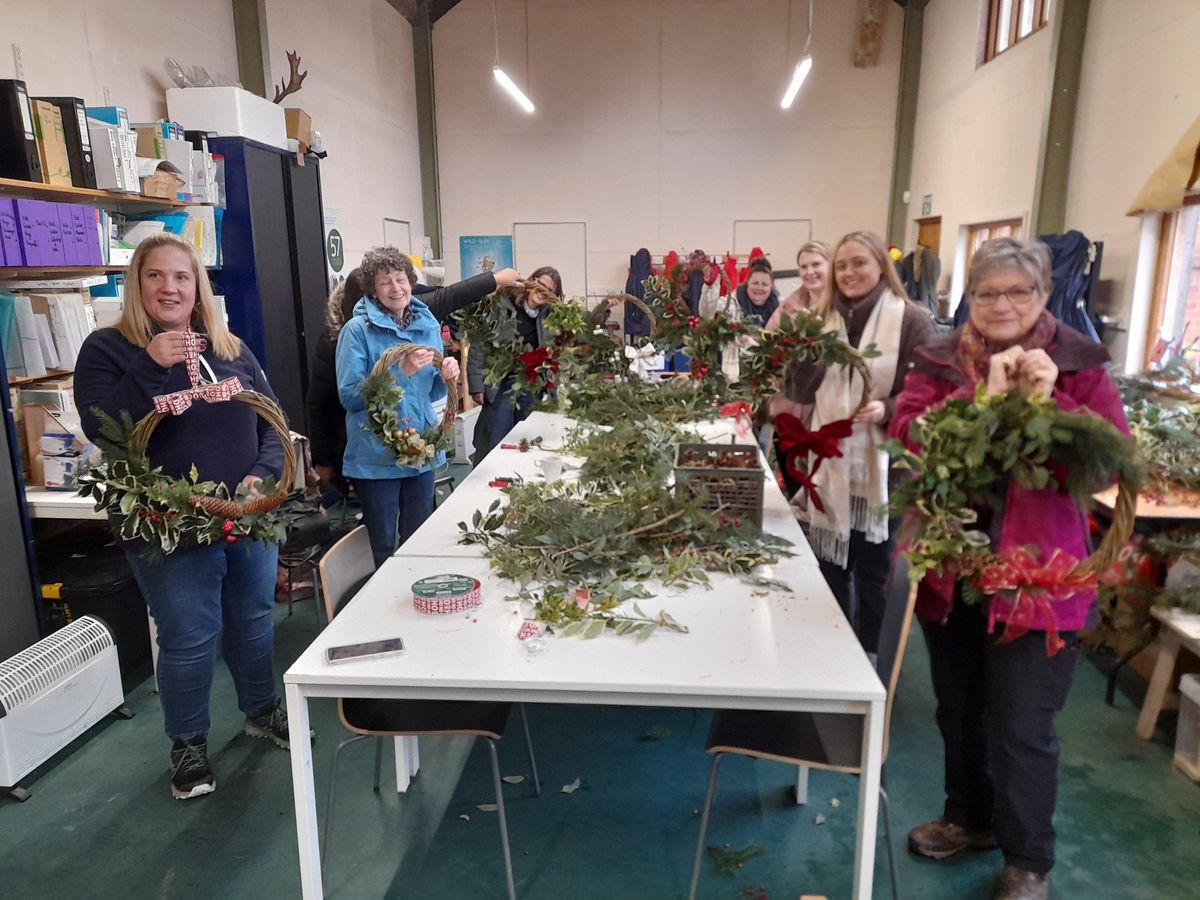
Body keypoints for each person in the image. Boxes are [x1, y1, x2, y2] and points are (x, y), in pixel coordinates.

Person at [890, 237, 1127, 900]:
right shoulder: (940, 358)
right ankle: (969, 817)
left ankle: (1029, 860)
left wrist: (1055, 406)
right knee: (959, 707)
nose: (1001, 304)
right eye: (988, 291)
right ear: (972, 295)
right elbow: (907, 436)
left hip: (1038, 580)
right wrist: (981, 404)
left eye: (1017, 291)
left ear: (1043, 295)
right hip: (953, 568)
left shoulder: (1078, 363)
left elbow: (1110, 462)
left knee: (1021, 723)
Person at [75, 232, 293, 801]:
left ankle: (261, 710)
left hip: (245, 515)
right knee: (189, 636)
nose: (169, 287)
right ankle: (189, 743)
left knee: (252, 619)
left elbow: (272, 422)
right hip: (166, 526)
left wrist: (261, 476)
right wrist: (149, 366)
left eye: (181, 276)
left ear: (198, 287)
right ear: (137, 285)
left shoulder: (228, 348)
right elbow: (105, 431)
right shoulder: (108, 349)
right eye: (156, 276)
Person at [789, 230, 935, 654]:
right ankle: (832, 653)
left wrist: (888, 408)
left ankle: (872, 657)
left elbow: (930, 394)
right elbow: (800, 393)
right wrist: (803, 352)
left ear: (880, 267)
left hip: (885, 472)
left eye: (859, 263)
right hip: (829, 463)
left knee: (875, 573)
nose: (849, 272)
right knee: (830, 564)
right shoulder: (821, 320)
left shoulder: (911, 320)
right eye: (842, 265)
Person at [306, 265, 518, 492]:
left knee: (420, 518)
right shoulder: (343, 337)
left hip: (414, 443)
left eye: (400, 282)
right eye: (384, 287)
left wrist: (442, 378)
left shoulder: (411, 322)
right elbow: (325, 402)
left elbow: (449, 296)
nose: (394, 293)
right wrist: (324, 459)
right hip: (365, 445)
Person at [336, 246, 462, 568]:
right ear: (373, 291)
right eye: (385, 282)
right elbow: (349, 396)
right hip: (376, 458)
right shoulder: (357, 331)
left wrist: (444, 375)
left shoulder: (427, 325)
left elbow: (428, 390)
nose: (396, 288)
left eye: (400, 279)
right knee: (382, 549)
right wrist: (399, 372)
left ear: (411, 281)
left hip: (419, 452)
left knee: (420, 541)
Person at [468, 266, 563, 463]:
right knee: (496, 437)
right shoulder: (503, 304)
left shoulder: (551, 316)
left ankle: (518, 480)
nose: (542, 291)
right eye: (541, 284)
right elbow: (480, 343)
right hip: (500, 384)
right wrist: (476, 384)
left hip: (530, 385)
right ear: (531, 281)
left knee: (525, 438)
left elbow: (571, 339)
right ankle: (490, 480)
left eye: (549, 290)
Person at [764, 240, 833, 496]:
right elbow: (768, 342)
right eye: (803, 266)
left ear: (830, 265)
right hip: (788, 408)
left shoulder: (841, 309)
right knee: (793, 477)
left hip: (824, 410)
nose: (809, 271)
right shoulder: (789, 307)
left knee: (819, 482)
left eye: (816, 264)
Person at [733, 257, 780, 326]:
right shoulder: (733, 302)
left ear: (771, 286)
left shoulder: (780, 304)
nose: (759, 288)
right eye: (755, 283)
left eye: (764, 284)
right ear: (747, 282)